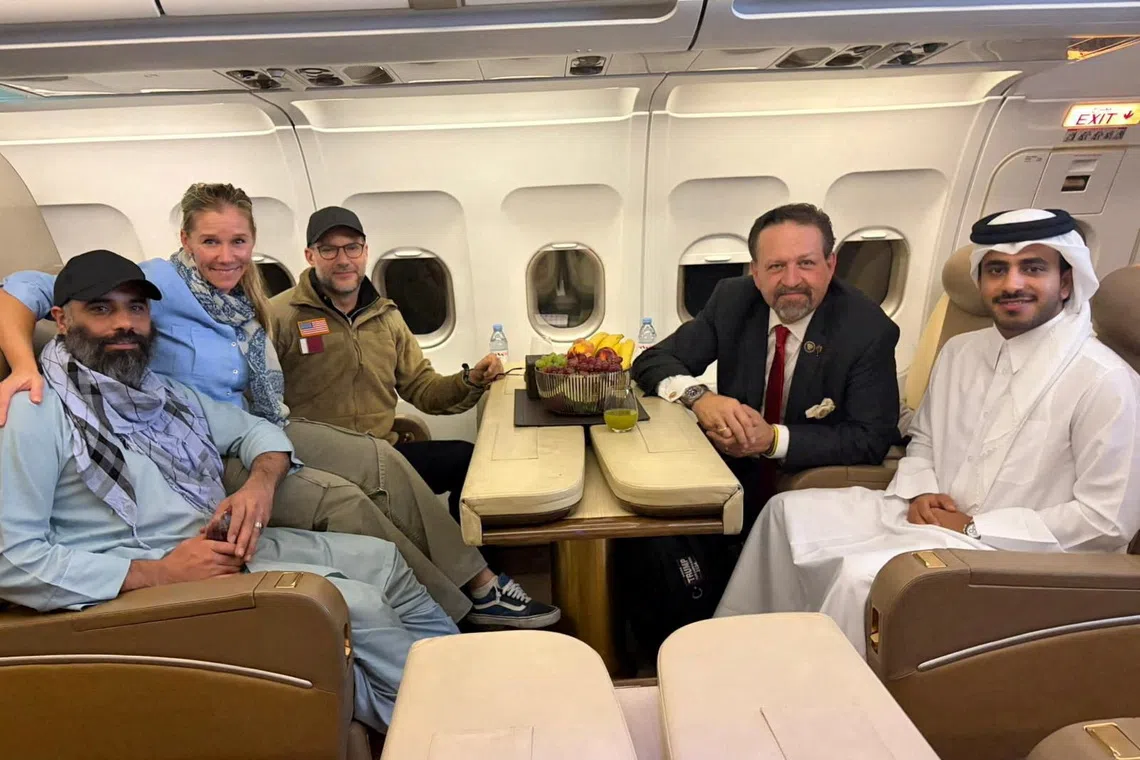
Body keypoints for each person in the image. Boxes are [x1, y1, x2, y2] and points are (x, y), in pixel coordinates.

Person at [0, 183, 558, 630]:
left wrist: (469, 381)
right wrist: (23, 361)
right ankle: (460, 611)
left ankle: (477, 584)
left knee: (382, 459)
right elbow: (25, 286)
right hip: (200, 449)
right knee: (343, 499)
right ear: (185, 240)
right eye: (211, 241)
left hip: (245, 426)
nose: (226, 254)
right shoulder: (153, 284)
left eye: (239, 241)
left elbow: (399, 389)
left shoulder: (248, 300)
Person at [0, 250, 458, 728]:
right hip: (145, 586)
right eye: (101, 309)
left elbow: (258, 433)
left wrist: (258, 487)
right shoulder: (34, 411)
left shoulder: (158, 394)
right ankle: (441, 728)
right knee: (356, 605)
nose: (124, 323)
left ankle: (461, 674)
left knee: (383, 560)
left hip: (218, 546)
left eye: (136, 308)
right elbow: (12, 559)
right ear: (61, 319)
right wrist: (154, 574)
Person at [714, 208, 1140, 655]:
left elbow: (1106, 521)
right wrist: (921, 491)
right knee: (785, 513)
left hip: (1019, 555)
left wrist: (977, 526)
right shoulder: (961, 352)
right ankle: (746, 651)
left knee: (862, 578)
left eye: (1033, 268)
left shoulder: (1104, 380)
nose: (1012, 284)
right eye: (997, 270)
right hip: (933, 516)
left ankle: (822, 690)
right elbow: (926, 440)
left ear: (1066, 282)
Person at [632, 202, 901, 523]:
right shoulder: (733, 300)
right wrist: (700, 398)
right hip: (732, 467)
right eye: (776, 266)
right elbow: (653, 360)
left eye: (806, 263)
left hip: (813, 483)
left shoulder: (867, 329)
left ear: (831, 265)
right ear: (756, 272)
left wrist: (773, 439)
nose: (791, 280)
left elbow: (871, 438)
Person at [269, 206, 499, 519]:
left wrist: (470, 380)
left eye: (352, 247)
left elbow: (422, 387)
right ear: (310, 256)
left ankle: (484, 563)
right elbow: (260, 404)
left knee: (468, 461)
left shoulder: (386, 317)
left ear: (365, 251)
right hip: (316, 465)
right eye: (329, 249)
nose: (343, 259)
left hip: (381, 455)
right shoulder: (279, 317)